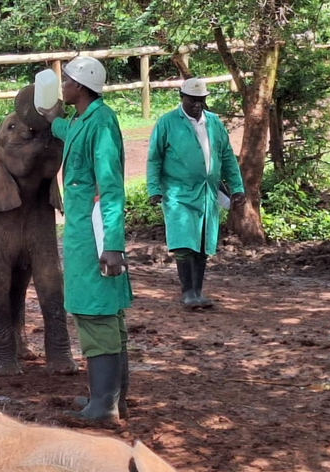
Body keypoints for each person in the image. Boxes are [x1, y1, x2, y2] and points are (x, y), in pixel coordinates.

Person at [40, 56, 132, 425]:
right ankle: (111, 399)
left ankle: (104, 407)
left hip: (95, 231)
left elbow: (111, 187)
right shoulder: (83, 119)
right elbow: (72, 133)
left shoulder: (103, 123)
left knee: (96, 311)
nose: (62, 86)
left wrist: (112, 244)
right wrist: (53, 122)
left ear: (79, 86)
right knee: (101, 311)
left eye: (66, 81)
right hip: (82, 230)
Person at [146, 78, 245, 309]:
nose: (197, 105)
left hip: (207, 193)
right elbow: (154, 158)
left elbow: (228, 157)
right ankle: (188, 292)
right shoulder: (167, 123)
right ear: (182, 97)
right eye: (193, 101)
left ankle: (198, 292)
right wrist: (154, 189)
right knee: (183, 241)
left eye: (201, 101)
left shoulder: (213, 123)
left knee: (202, 243)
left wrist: (237, 188)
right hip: (178, 192)